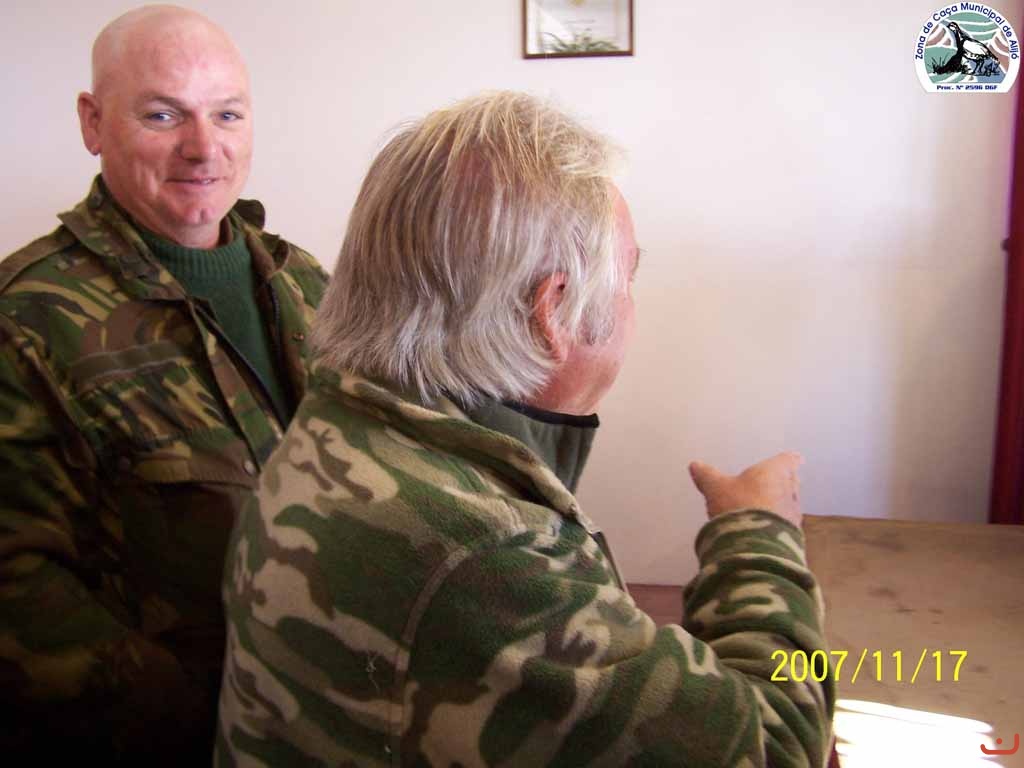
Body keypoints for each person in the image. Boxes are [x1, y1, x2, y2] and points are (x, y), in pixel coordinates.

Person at [217, 91, 834, 767]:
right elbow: (775, 747)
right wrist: (756, 532)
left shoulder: (343, 412)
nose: (631, 305)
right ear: (554, 311)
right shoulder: (482, 553)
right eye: (627, 277)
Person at [0, 5, 326, 763]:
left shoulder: (306, 282)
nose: (204, 147)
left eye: (227, 114)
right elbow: (17, 588)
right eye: (163, 115)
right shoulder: (26, 317)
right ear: (93, 122)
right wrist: (214, 724)